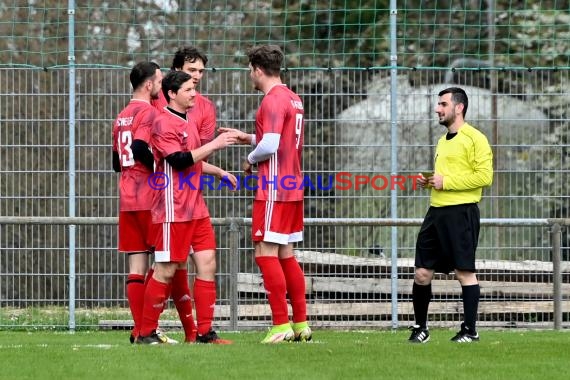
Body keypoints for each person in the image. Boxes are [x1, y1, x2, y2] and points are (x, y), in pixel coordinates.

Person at [219, 45, 312, 344]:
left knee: (264, 253)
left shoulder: (271, 100)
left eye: (249, 69)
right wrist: (249, 137)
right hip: (292, 185)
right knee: (286, 254)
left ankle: (279, 324)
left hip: (273, 187)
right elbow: (278, 138)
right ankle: (300, 323)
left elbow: (270, 145)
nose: (249, 74)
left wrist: (249, 158)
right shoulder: (293, 98)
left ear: (258, 69)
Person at [136, 70, 237, 344]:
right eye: (189, 89)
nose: (194, 93)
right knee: (166, 269)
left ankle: (205, 333)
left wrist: (218, 172)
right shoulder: (162, 122)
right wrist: (215, 145)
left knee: (208, 263)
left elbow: (194, 160)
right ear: (172, 93)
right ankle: (145, 333)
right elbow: (179, 160)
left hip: (196, 207)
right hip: (173, 207)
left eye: (194, 89)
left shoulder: (189, 121)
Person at [408, 87, 493, 344]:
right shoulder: (442, 140)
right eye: (438, 104)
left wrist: (447, 181)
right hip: (436, 212)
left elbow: (484, 177)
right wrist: (430, 182)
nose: (438, 109)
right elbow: (444, 180)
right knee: (421, 273)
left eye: (443, 104)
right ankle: (420, 328)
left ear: (459, 108)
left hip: (462, 213)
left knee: (464, 272)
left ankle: (470, 330)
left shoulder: (476, 139)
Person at [112, 61, 176, 344]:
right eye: (160, 81)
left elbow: (117, 161)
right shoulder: (148, 111)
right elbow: (139, 147)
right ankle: (148, 328)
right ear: (149, 84)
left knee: (136, 267)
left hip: (127, 197)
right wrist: (158, 168)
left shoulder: (121, 115)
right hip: (149, 196)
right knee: (164, 263)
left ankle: (139, 331)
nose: (161, 86)